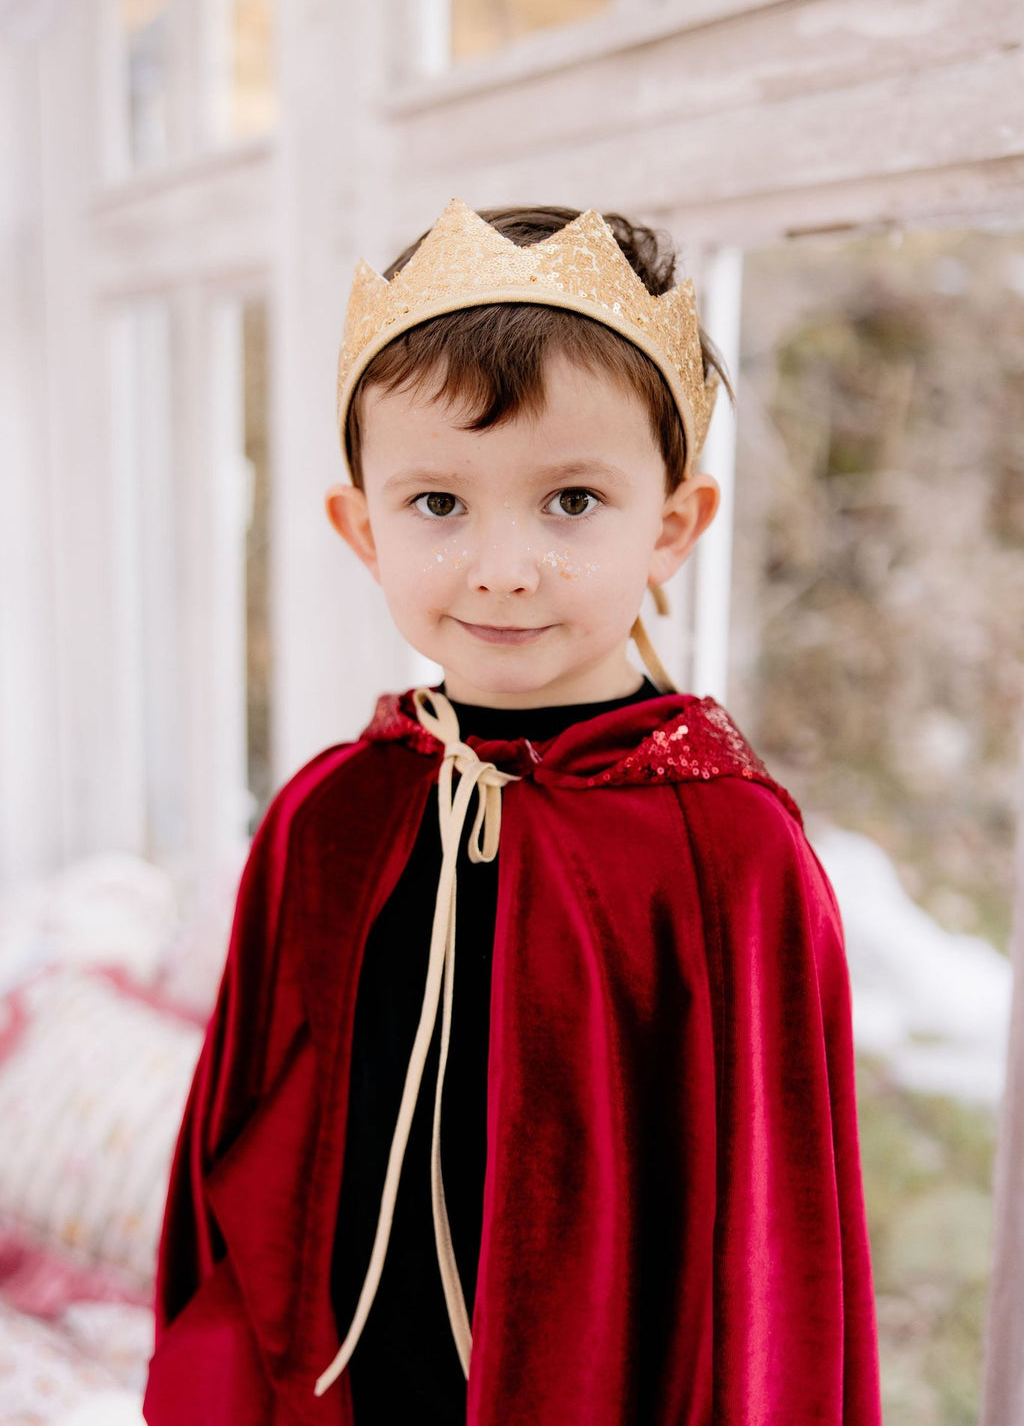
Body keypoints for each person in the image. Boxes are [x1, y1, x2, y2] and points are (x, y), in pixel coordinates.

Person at [143, 200, 882, 1426]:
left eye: (572, 500)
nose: (502, 565)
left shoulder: (726, 852)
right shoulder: (329, 813)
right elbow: (248, 1171)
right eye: (438, 503)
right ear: (361, 527)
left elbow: (770, 1255)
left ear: (672, 524)